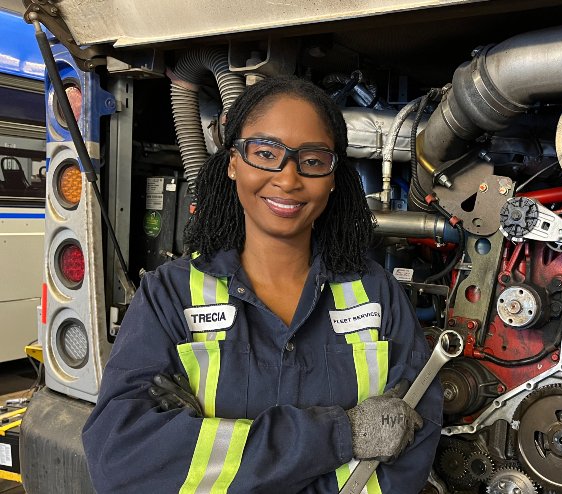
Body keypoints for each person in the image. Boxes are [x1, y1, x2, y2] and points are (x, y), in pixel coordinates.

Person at [82, 75, 443, 493]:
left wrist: (221, 448)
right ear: (233, 162)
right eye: (266, 153)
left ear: (332, 176)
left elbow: (413, 440)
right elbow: (122, 458)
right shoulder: (169, 296)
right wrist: (341, 434)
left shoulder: (378, 294)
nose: (288, 179)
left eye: (311, 161)